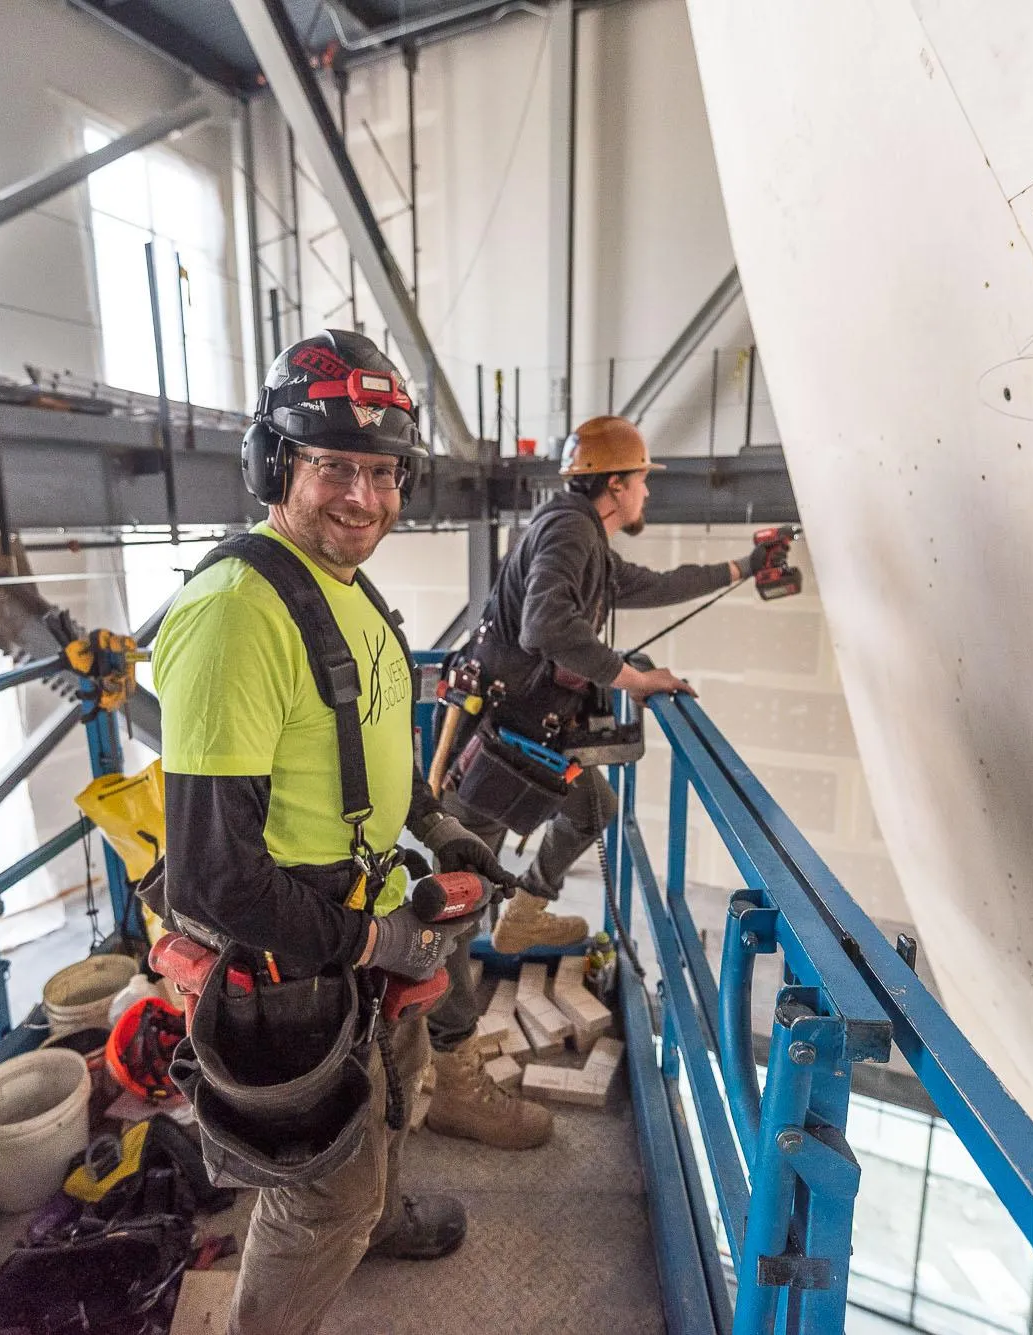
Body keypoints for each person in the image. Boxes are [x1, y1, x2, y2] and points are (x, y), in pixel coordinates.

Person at [149, 330, 523, 1335]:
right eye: (333, 467)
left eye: (384, 472)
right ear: (274, 465)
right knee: (320, 1195)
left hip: (361, 914)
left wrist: (437, 823)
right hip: (289, 956)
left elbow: (370, 746)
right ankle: (324, 1253)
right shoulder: (238, 615)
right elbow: (213, 880)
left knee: (395, 1092)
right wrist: (374, 939)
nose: (364, 498)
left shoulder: (345, 591)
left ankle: (378, 1217)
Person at [442, 415, 769, 952]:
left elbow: (656, 585)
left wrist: (745, 566)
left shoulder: (581, 535)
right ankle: (452, 1003)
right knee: (463, 896)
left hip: (528, 734)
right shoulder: (570, 530)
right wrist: (634, 679)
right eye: (641, 479)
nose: (647, 491)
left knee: (593, 808)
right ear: (615, 484)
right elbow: (546, 626)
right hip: (501, 738)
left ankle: (524, 914)